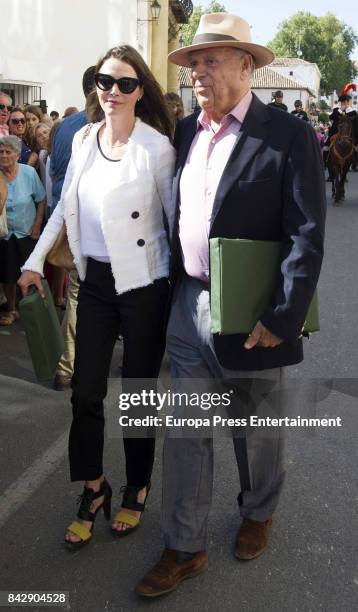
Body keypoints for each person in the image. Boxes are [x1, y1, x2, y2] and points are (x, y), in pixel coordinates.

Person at [135, 12, 326, 597]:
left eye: (210, 60)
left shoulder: (286, 136)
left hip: (252, 313)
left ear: (246, 66)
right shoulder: (188, 131)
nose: (197, 72)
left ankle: (258, 510)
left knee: (257, 429)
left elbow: (307, 234)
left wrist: (280, 317)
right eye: (194, 62)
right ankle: (183, 545)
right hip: (187, 305)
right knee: (187, 431)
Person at [18, 44, 175, 549]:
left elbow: (174, 223)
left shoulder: (156, 148)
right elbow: (63, 211)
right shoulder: (84, 138)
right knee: (85, 392)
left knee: (137, 396)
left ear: (140, 90)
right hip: (97, 283)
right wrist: (32, 261)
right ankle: (94, 488)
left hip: (145, 284)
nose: (113, 92)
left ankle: (137, 485)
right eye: (105, 82)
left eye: (125, 84)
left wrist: (187, 286)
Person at [49, 66, 96, 390]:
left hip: (64, 216)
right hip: (90, 219)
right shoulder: (99, 125)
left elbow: (54, 173)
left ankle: (67, 365)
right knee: (88, 295)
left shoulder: (63, 126)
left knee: (78, 293)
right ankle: (77, 364)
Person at [0, 136, 46, 325]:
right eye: (0, 152)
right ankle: (12, 310)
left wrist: (37, 225)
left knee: (29, 271)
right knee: (7, 274)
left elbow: (41, 200)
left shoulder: (28, 173)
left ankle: (34, 310)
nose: (3, 155)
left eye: (8, 152)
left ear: (17, 155)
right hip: (4, 233)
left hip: (27, 232)